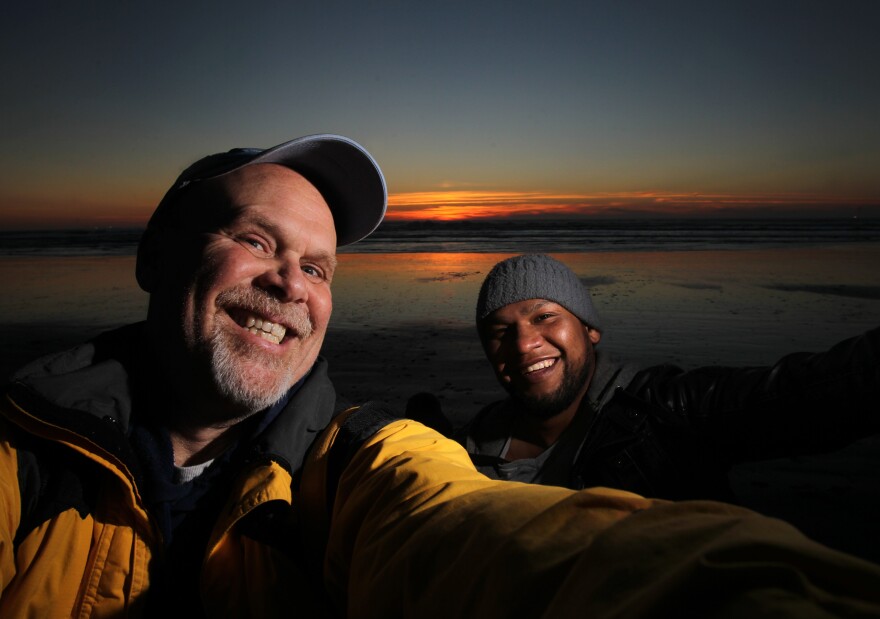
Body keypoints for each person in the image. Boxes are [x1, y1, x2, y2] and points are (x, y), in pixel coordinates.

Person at [3, 139, 880, 618]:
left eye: (319, 267)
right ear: (156, 254)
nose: (292, 284)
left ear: (591, 329)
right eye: (259, 240)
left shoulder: (358, 465)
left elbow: (484, 535)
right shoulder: (22, 455)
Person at [456, 253, 879, 501]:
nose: (523, 343)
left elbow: (807, 393)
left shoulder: (665, 411)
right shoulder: (466, 448)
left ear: (589, 328)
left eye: (544, 317)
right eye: (500, 332)